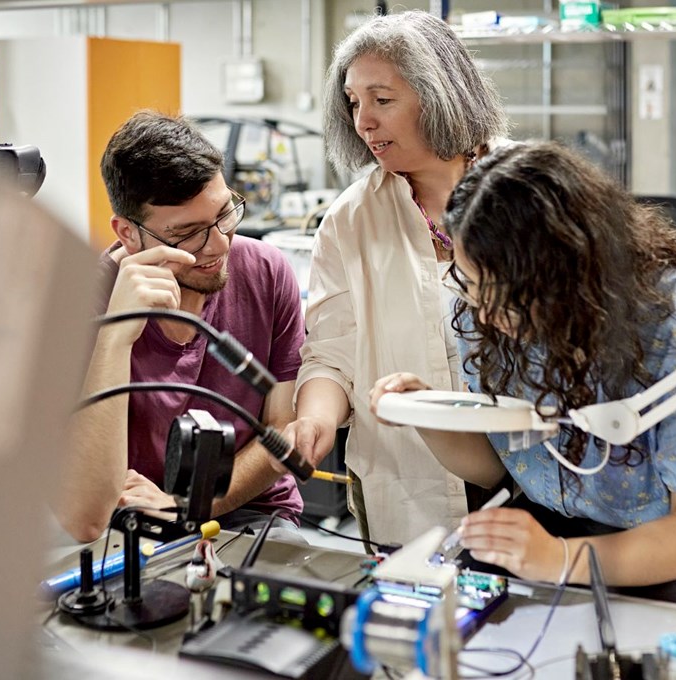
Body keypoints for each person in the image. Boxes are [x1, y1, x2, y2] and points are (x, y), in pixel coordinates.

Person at [371, 142, 676, 617]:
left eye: (503, 293)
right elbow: (500, 467)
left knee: (604, 629)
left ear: (565, 272)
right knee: (462, 612)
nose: (483, 311)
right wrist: (428, 414)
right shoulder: (478, 312)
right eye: (471, 284)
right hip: (561, 527)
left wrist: (560, 559)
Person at [286, 10, 509, 546]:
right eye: (354, 103)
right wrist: (314, 422)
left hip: (530, 482)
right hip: (407, 487)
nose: (363, 121)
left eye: (382, 100)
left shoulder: (527, 191)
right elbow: (332, 352)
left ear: (442, 96)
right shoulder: (351, 219)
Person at [57, 111, 306, 544]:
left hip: (251, 511)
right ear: (128, 235)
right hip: (131, 524)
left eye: (226, 214)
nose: (219, 245)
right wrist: (115, 339)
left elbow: (282, 430)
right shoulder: (82, 303)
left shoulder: (266, 271)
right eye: (187, 233)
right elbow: (85, 517)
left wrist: (185, 506)